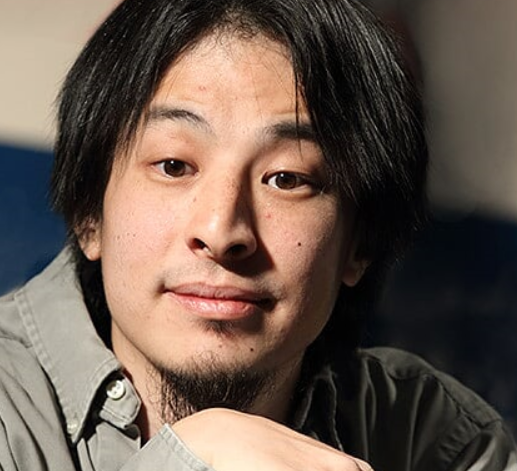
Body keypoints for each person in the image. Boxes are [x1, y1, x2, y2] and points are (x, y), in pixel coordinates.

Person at [0, 0, 515, 469]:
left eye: (286, 178)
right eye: (174, 165)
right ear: (89, 214)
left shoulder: (439, 442)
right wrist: (193, 455)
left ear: (360, 243)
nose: (221, 231)